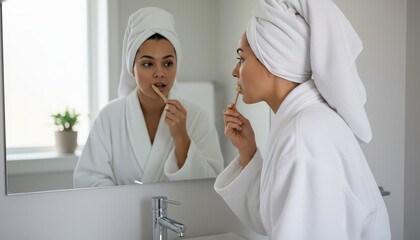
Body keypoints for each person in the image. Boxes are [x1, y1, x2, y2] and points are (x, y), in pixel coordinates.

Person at [214, 0, 391, 239]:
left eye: (242, 58)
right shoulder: (306, 123)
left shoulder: (303, 136)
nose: (235, 71)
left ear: (272, 60)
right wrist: (247, 150)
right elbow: (274, 216)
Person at [74, 7, 223, 187]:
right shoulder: (109, 117)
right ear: (132, 69)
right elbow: (88, 183)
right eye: (147, 64)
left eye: (168, 63)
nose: (160, 73)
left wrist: (182, 138)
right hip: (122, 216)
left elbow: (210, 188)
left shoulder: (197, 117)